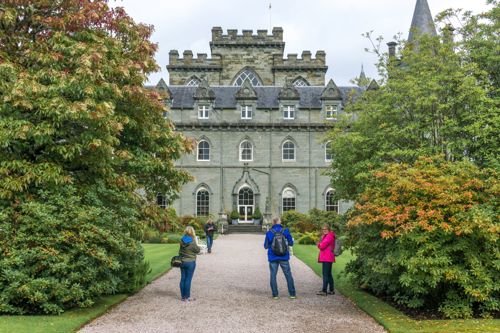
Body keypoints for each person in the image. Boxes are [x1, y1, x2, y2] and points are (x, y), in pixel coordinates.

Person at [264, 217, 296, 299]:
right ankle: (292, 294)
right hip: (284, 256)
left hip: (273, 256)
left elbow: (265, 246)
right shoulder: (285, 230)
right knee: (288, 274)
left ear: (273, 223)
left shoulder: (269, 232)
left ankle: (275, 295)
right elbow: (291, 243)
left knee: (273, 275)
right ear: (279, 222)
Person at [179, 226, 200, 301]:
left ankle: (183, 296)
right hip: (190, 261)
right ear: (192, 232)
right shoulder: (192, 240)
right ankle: (187, 297)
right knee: (188, 279)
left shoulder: (182, 240)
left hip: (182, 261)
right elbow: (197, 250)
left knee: (183, 278)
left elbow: (180, 251)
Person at [317, 223, 335, 296]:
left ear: (328, 229)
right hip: (328, 257)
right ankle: (331, 290)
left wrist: (318, 244)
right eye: (323, 229)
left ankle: (324, 291)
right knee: (329, 274)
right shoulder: (327, 236)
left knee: (325, 274)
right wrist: (321, 243)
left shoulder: (329, 236)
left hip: (327, 257)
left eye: (325, 229)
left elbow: (322, 246)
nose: (324, 230)